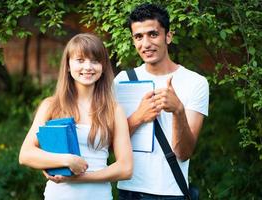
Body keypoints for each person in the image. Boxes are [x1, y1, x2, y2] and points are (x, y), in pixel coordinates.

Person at [19, 33, 133, 200]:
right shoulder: (51, 106)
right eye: (80, 60)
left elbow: (126, 168)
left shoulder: (114, 110)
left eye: (95, 61)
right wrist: (67, 160)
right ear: (68, 65)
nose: (88, 67)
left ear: (103, 67)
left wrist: (80, 177)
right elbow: (26, 154)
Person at [114, 3, 209, 200]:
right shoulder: (122, 80)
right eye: (138, 37)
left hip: (173, 193)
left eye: (153, 34)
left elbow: (184, 153)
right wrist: (139, 117)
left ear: (168, 36)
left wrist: (178, 110)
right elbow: (108, 142)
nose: (146, 44)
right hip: (131, 191)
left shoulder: (196, 82)